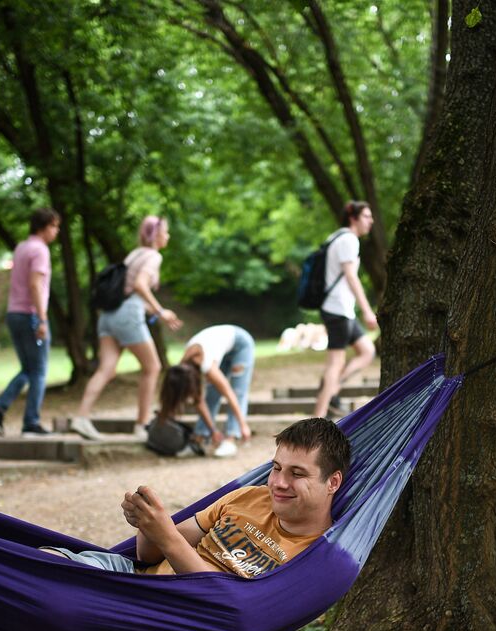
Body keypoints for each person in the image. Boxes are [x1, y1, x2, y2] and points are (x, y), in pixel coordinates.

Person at [47, 417, 349, 578]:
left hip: (167, 614)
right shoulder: (249, 498)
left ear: (332, 481)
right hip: (131, 579)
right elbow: (149, 557)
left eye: (297, 474)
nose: (279, 483)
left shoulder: (317, 557)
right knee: (38, 564)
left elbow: (221, 603)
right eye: (276, 468)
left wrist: (166, 535)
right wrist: (148, 523)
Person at [70, 215, 183, 441]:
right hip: (128, 315)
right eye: (166, 232)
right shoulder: (153, 256)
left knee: (107, 368)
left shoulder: (133, 254)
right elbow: (140, 286)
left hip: (108, 316)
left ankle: (81, 417)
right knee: (152, 367)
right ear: (157, 235)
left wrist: (157, 313)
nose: (167, 236)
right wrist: (161, 311)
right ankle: (141, 425)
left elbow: (130, 292)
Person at [0, 208, 60, 437]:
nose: (56, 232)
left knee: (28, 369)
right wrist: (42, 319)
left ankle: (0, 408)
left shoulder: (21, 248)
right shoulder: (40, 250)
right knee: (38, 371)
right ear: (44, 226)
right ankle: (31, 421)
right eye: (55, 226)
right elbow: (35, 285)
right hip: (30, 315)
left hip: (14, 314)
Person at [313, 202, 379, 419]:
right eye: (367, 217)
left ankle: (331, 389)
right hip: (337, 309)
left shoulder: (337, 237)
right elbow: (351, 276)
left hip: (342, 310)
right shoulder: (349, 240)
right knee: (336, 362)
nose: (371, 221)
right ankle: (318, 417)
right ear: (354, 218)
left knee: (367, 350)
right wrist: (367, 310)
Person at [165, 323, 255, 457]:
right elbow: (198, 400)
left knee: (237, 391)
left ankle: (231, 438)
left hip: (240, 344)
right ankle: (199, 438)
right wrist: (213, 431)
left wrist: (243, 425)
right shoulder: (182, 368)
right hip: (220, 347)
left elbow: (229, 394)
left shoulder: (206, 365)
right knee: (211, 394)